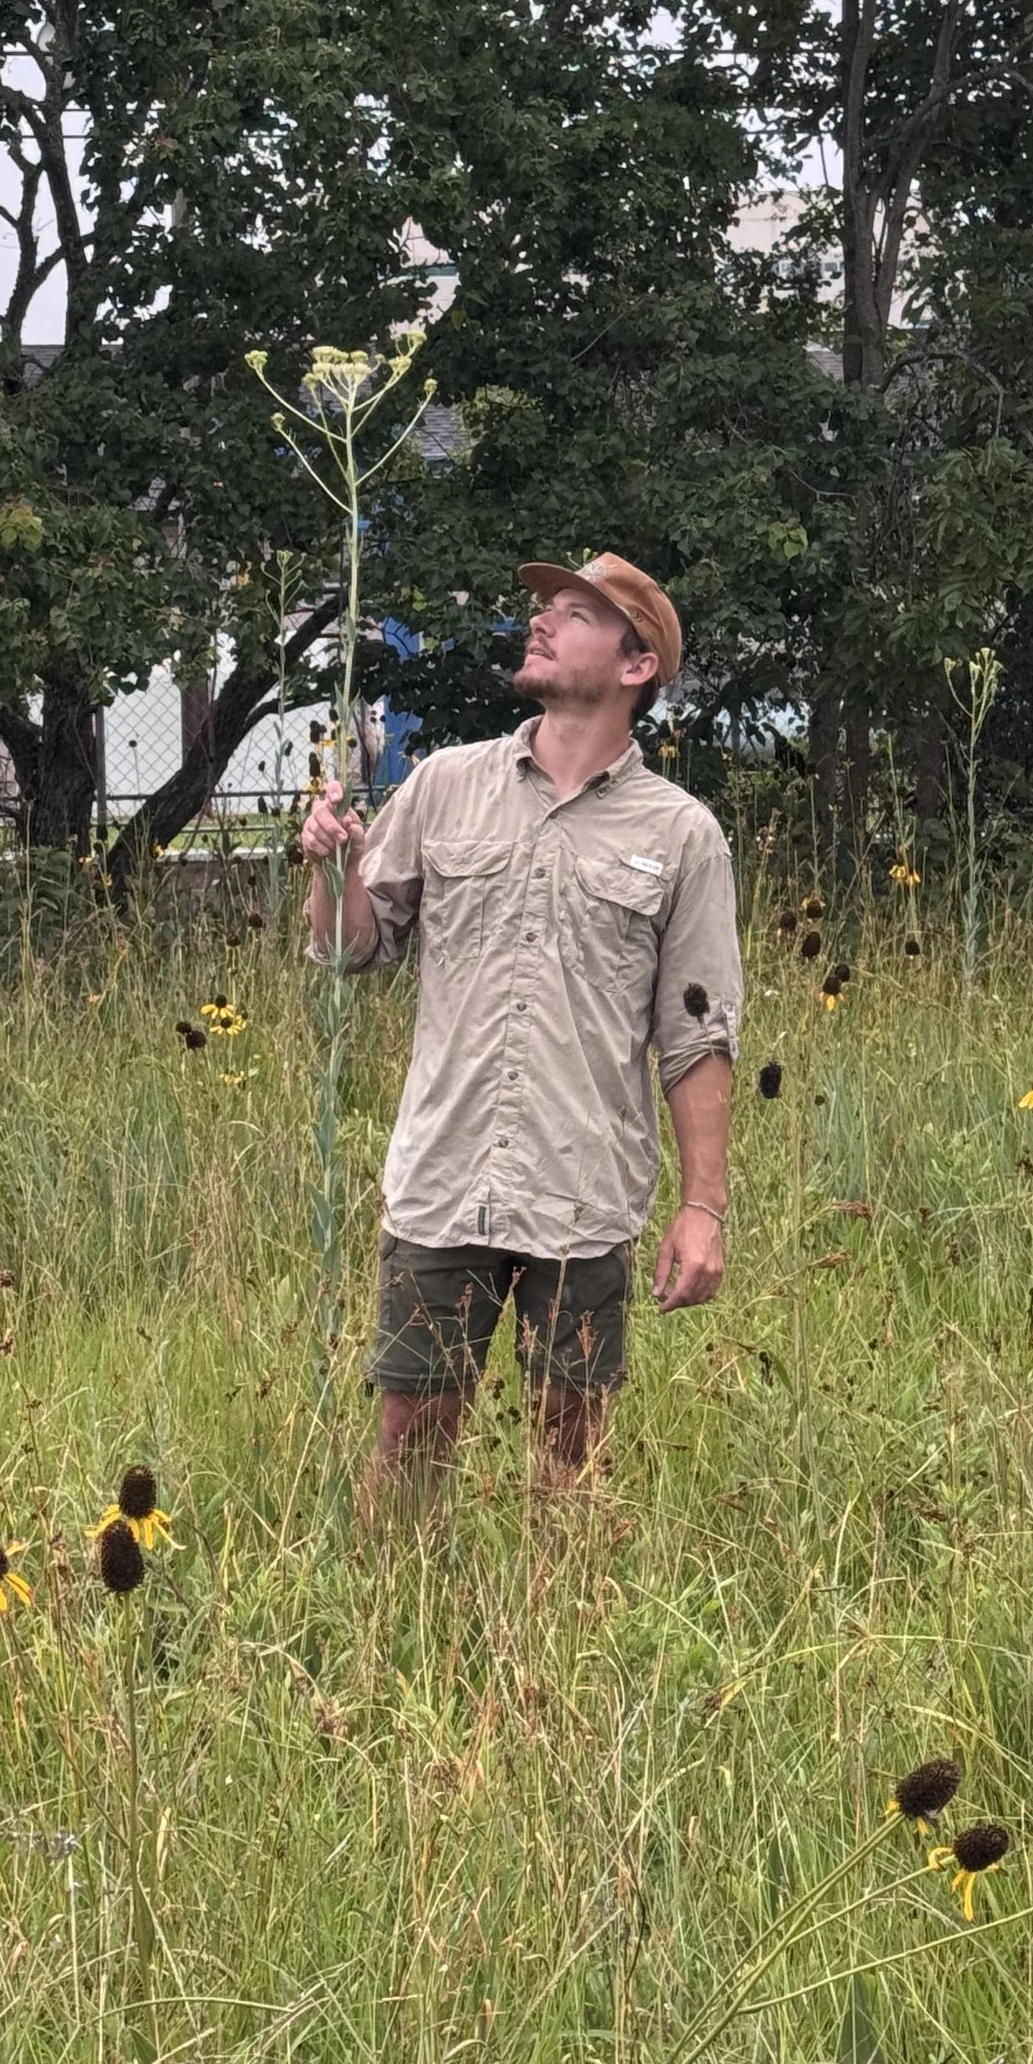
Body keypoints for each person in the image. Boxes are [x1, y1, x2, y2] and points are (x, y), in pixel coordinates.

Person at [298, 553, 741, 1507]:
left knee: (569, 1472)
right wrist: (332, 865)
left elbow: (698, 1034)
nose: (540, 620)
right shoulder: (446, 784)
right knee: (410, 1452)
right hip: (445, 1182)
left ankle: (561, 1648)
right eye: (543, 605)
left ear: (636, 666)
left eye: (575, 613)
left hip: (582, 1196)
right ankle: (395, 1643)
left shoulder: (683, 835)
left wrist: (703, 1206)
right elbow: (350, 951)